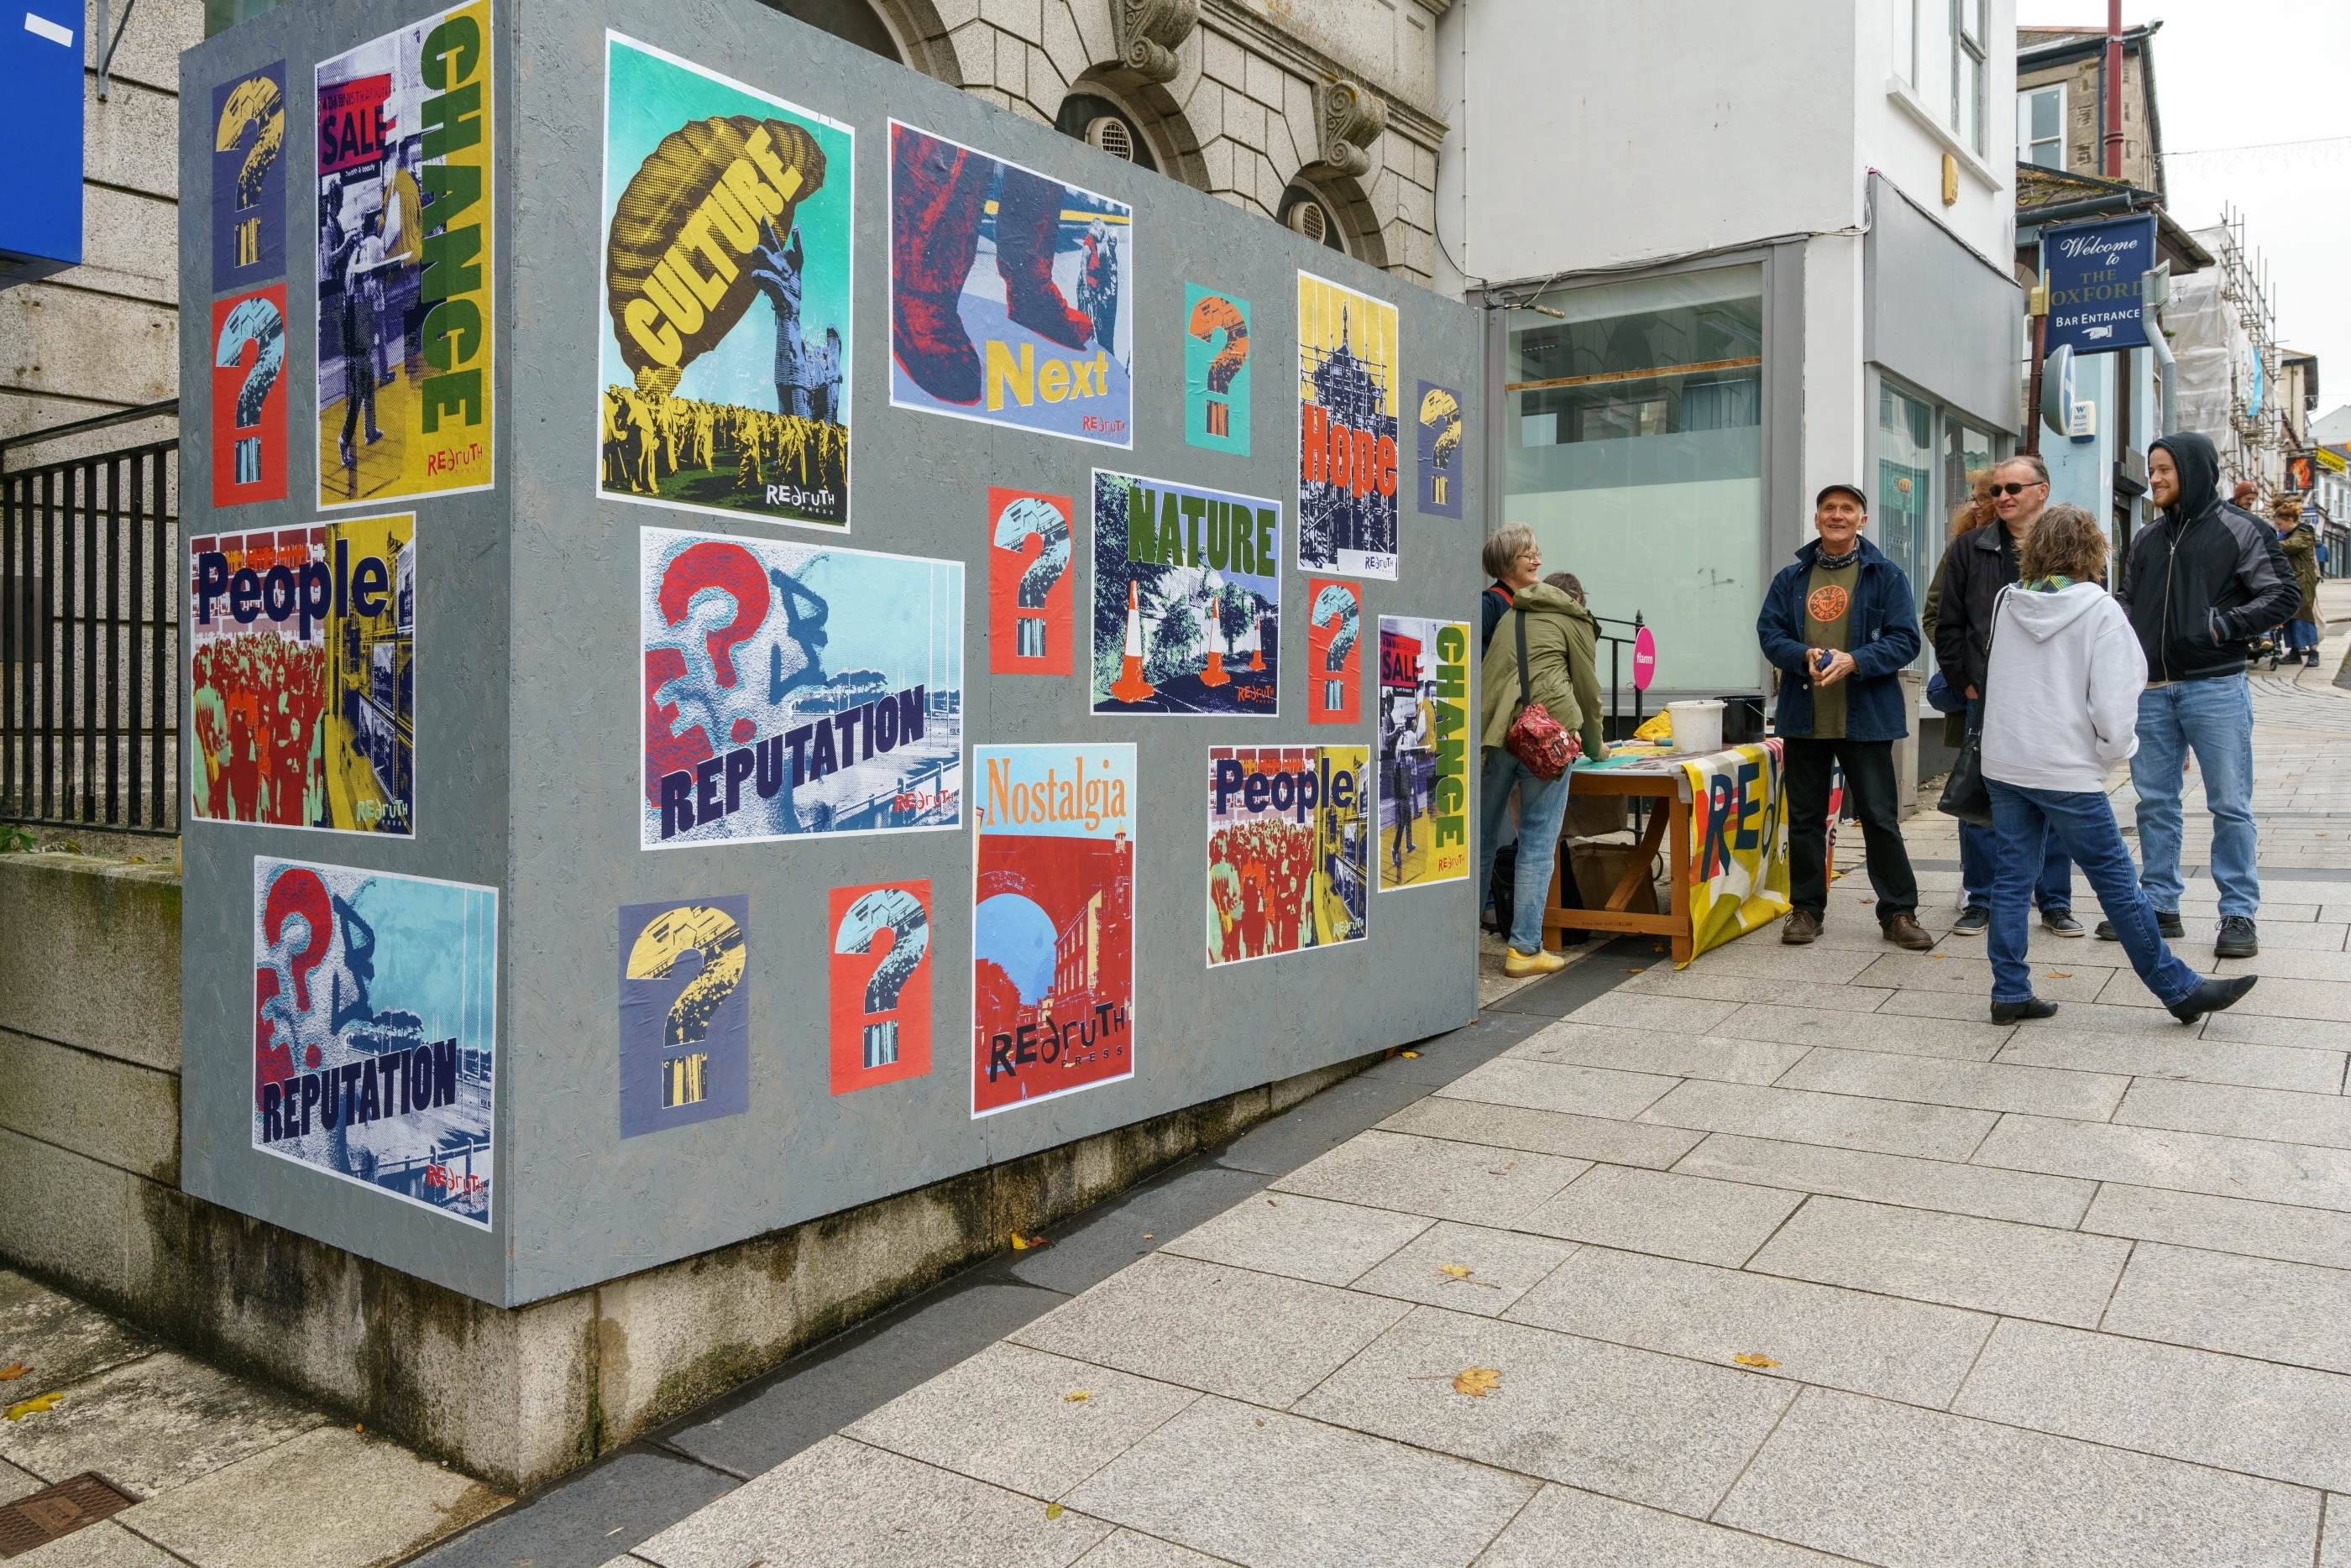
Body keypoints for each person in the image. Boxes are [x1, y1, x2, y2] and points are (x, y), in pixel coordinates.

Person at [1977, 504, 2257, 1026]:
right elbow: (2114, 703)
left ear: (2033, 547)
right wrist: (2111, 753)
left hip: (2006, 759)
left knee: (2012, 879)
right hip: (2066, 769)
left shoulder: (2006, 602)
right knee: (2117, 885)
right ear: (2092, 551)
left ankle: (2010, 990)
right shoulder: (2100, 609)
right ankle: (2178, 989)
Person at [2109, 432, 2299, 958]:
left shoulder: (2242, 528)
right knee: (2154, 803)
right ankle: (2160, 906)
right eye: (2152, 470)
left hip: (2215, 684)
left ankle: (2238, 913)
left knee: (2230, 805)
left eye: (2165, 469)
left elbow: (2284, 594)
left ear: (2192, 471)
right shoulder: (2146, 537)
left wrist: (2221, 626)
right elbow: (2126, 600)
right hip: (2151, 690)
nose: (2156, 478)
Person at [1758, 483, 1933, 949]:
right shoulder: (1791, 579)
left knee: (1878, 818)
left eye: (1848, 509)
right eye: (1829, 508)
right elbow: (1770, 634)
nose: (1837, 515)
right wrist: (1803, 654)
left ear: (1863, 520)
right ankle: (1806, 910)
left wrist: (1856, 660)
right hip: (1804, 717)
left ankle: (1899, 912)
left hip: (1866, 717)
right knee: (1807, 819)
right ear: (1816, 520)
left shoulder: (1886, 575)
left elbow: (1905, 640)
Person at [1933, 454, 2080, 938]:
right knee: (1982, 798)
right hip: (1987, 694)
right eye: (1997, 490)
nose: (2003, 498)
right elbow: (1946, 621)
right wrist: (1964, 679)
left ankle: (2055, 901)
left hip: (2052, 697)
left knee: (2056, 794)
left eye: (2014, 488)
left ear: (2042, 490)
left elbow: (2089, 617)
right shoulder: (1970, 548)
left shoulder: (2068, 548)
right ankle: (1981, 898)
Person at [1478, 563, 1607, 976]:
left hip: (1499, 735)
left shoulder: (1510, 614)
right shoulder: (1575, 620)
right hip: (1547, 740)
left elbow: (1489, 679)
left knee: (1480, 843)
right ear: (1576, 600)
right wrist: (1594, 747)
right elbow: (1587, 692)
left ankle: (1456, 950)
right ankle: (1524, 952)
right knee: (1536, 842)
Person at [1477, 524, 1542, 935]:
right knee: (1488, 834)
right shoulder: (1491, 604)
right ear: (1506, 563)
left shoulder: (1531, 604)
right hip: (1501, 734)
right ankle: (1486, 911)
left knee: (1508, 835)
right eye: (1529, 554)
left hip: (1526, 733)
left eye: (1537, 552)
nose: (1538, 560)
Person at [2272, 498, 2322, 666]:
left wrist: (2271, 543)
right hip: (2292, 579)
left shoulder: (2304, 533)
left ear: (2290, 520)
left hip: (2304, 580)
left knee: (2305, 615)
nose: (2278, 527)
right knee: (2291, 615)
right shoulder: (2291, 533)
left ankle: (2313, 651)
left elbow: (2292, 545)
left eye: (2280, 524)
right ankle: (2294, 651)